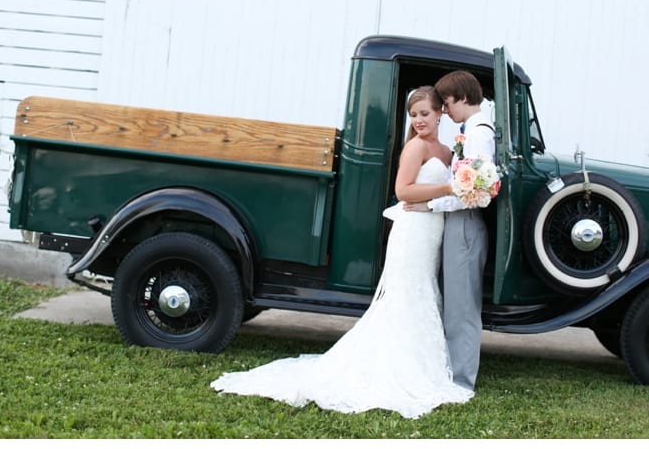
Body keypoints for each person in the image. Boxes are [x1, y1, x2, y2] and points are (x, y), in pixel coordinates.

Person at [210, 86, 473, 419]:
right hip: (412, 233)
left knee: (424, 291)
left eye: (425, 113)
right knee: (406, 293)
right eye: (413, 115)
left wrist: (451, 191)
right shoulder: (415, 147)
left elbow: (433, 195)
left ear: (439, 114)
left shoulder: (448, 151)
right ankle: (396, 366)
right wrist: (449, 186)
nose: (419, 120)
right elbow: (402, 190)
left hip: (432, 230)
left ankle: (420, 361)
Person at [405, 70, 495, 391]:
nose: (446, 109)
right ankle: (453, 372)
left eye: (447, 102)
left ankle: (461, 381)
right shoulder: (468, 131)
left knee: (462, 308)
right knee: (455, 303)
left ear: (464, 98)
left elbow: (476, 193)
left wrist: (430, 206)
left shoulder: (478, 134)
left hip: (465, 223)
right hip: (458, 222)